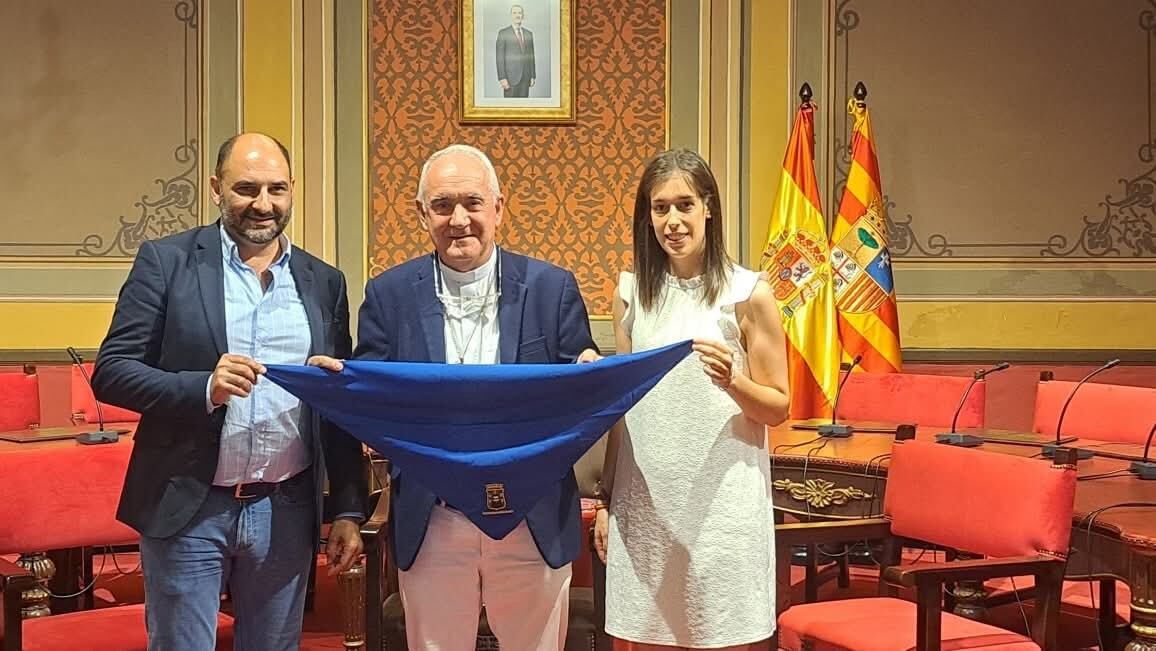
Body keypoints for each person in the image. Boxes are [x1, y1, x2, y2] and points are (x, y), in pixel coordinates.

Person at [92, 132, 367, 651]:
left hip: (285, 509)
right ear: (216, 187)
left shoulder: (323, 281)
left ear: (293, 190)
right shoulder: (167, 262)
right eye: (246, 189)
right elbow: (113, 371)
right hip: (189, 504)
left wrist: (348, 509)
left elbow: (338, 406)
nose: (263, 205)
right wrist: (203, 388)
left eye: (277, 190)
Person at [353, 143, 598, 650]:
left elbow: (579, 393)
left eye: (472, 203)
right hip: (434, 518)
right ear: (422, 214)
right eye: (442, 206)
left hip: (531, 517)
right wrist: (340, 383)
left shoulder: (552, 289)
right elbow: (372, 399)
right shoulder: (389, 296)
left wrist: (589, 372)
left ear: (499, 208)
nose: (459, 219)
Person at [593, 149, 790, 650]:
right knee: (642, 637)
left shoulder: (748, 293)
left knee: (722, 635)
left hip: (722, 506)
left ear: (708, 208)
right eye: (660, 208)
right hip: (646, 504)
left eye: (684, 205)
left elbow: (778, 406)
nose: (673, 221)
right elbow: (624, 412)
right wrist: (607, 501)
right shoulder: (631, 294)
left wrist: (733, 382)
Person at [496, 4, 536, 98]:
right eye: (514, 13)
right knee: (510, 109)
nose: (517, 15)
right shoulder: (503, 33)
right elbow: (499, 58)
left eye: (520, 13)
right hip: (510, 80)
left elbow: (531, 56)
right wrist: (502, 78)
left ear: (523, 16)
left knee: (523, 109)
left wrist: (533, 76)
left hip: (526, 78)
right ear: (511, 16)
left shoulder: (528, 34)